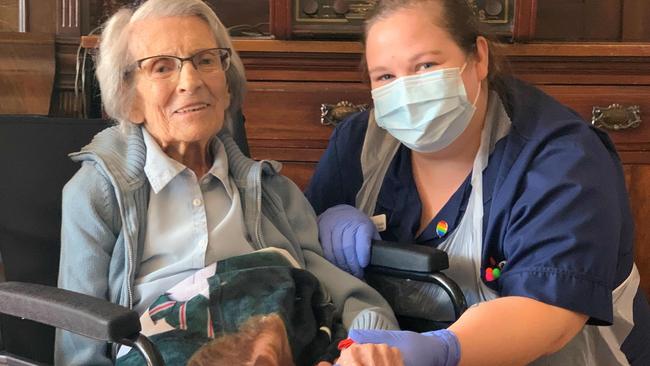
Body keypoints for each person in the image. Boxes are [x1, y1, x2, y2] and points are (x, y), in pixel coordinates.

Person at [305, 0, 650, 365]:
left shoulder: (562, 160)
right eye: (385, 77)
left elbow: (551, 317)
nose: (405, 92)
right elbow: (302, 262)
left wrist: (443, 350)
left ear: (479, 57)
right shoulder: (359, 146)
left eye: (426, 65)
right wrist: (317, 229)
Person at [55, 0, 398, 364]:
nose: (191, 82)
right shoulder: (96, 194)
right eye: (162, 67)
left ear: (228, 86)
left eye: (205, 60)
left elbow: (347, 298)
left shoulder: (273, 192)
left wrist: (363, 347)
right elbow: (80, 339)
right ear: (130, 100)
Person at [115, 249, 346, 366]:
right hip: (152, 330)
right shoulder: (100, 190)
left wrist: (367, 331)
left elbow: (331, 280)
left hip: (284, 308)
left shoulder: (273, 187)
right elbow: (81, 319)